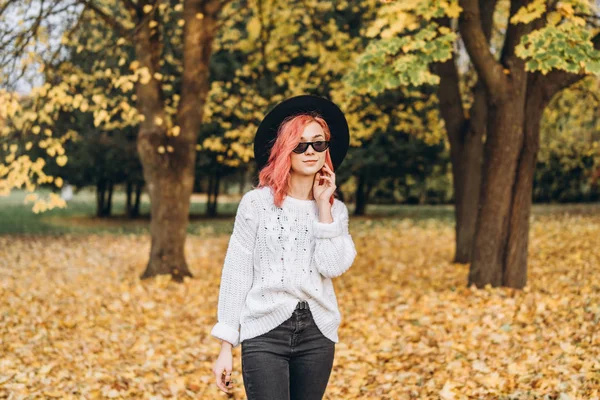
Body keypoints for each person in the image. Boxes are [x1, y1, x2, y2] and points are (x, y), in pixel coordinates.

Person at [211, 95, 357, 400]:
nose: (310, 151)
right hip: (264, 331)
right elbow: (236, 273)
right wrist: (226, 345)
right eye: (299, 144)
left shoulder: (335, 210)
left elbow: (332, 266)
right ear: (284, 150)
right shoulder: (256, 204)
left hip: (317, 334)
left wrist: (323, 207)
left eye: (318, 143)